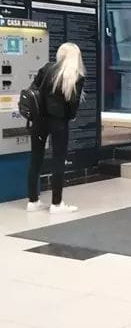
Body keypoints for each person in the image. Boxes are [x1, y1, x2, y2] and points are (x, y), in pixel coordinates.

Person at [27, 42, 85, 215]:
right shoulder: (76, 76)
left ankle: (33, 201)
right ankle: (56, 204)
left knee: (36, 159)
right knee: (58, 160)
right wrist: (69, 116)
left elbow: (33, 89)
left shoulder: (47, 68)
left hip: (39, 120)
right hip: (59, 122)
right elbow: (73, 106)